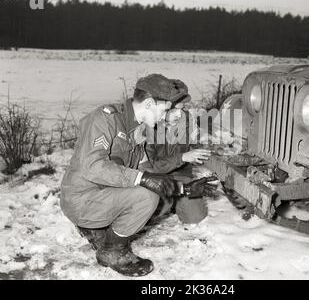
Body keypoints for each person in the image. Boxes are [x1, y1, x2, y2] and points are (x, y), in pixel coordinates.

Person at [60, 74, 216, 277]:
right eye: (165, 109)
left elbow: (149, 173)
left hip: (104, 197)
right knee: (146, 196)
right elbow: (93, 167)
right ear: (150, 103)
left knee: (149, 192)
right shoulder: (104, 119)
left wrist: (183, 189)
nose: (164, 116)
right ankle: (113, 251)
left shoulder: (138, 130)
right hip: (81, 199)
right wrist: (142, 179)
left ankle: (100, 232)